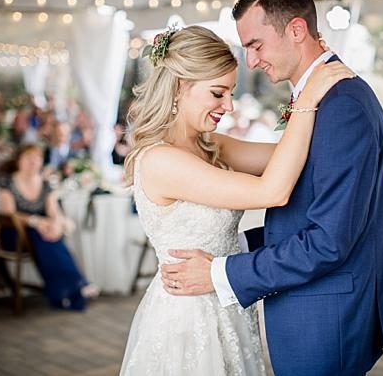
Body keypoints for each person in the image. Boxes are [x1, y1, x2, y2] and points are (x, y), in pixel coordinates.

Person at [160, 0, 383, 375]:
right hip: (312, 307)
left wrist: (220, 272)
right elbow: (306, 209)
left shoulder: (341, 104)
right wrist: (229, 244)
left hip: (326, 317)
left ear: (296, 29)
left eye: (255, 45)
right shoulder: (318, 99)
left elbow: (329, 241)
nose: (252, 62)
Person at [118, 24, 353, 375]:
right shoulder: (160, 160)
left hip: (228, 303)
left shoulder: (211, 145)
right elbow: (272, 191)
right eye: (218, 93)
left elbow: (289, 159)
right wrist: (306, 103)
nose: (228, 106)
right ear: (181, 87)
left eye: (230, 93)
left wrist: (324, 102)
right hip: (188, 316)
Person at [0, 144, 99, 311]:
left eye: (37, 158)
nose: (33, 162)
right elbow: (9, 214)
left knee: (49, 236)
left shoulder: (44, 184)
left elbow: (53, 211)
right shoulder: (7, 182)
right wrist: (36, 222)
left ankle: (65, 291)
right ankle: (76, 286)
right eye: (28, 158)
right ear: (19, 160)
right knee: (42, 236)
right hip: (13, 233)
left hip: (41, 233)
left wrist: (56, 225)